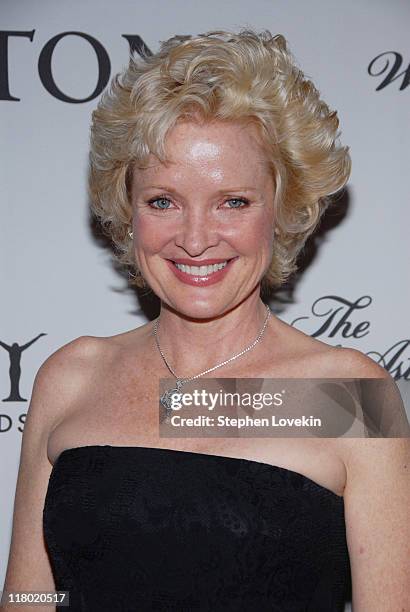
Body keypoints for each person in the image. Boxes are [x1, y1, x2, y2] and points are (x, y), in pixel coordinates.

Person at [2, 28, 409, 612]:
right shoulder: (73, 376)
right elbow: (29, 596)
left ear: (283, 207)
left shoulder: (345, 395)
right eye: (162, 200)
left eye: (233, 202)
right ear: (127, 207)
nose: (195, 239)